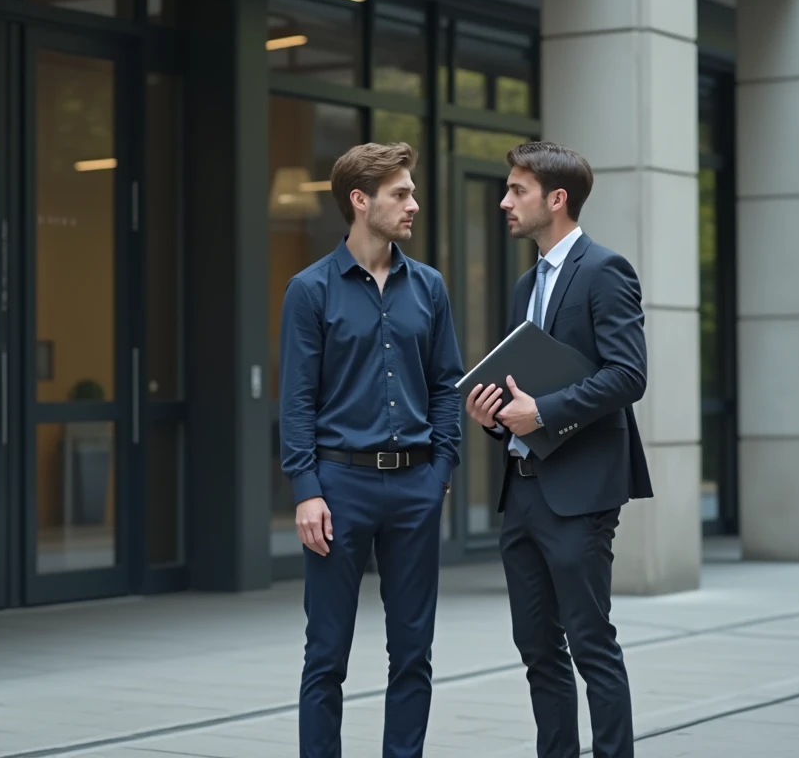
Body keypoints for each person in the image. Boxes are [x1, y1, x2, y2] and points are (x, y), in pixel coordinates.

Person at [465, 141, 652, 758]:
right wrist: (495, 416)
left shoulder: (605, 270)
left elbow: (629, 376)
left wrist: (541, 412)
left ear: (557, 198)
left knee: (591, 644)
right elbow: (526, 384)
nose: (505, 201)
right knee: (538, 648)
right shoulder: (526, 284)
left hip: (581, 494)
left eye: (516, 190)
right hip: (522, 492)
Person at [278, 141, 464, 758]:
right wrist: (305, 490)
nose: (413, 204)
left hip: (415, 488)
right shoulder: (309, 291)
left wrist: (440, 471)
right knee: (326, 653)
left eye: (410, 191)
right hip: (339, 489)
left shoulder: (430, 288)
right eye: (401, 194)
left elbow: (446, 385)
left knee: (413, 652)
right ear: (360, 202)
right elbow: (297, 401)